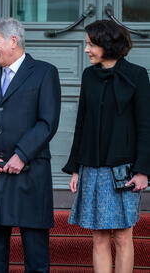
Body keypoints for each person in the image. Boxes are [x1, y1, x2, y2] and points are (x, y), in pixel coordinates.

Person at [0, 18, 61, 272]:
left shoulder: (44, 72)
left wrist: (21, 155)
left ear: (13, 40)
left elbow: (47, 122)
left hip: (30, 173)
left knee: (36, 254)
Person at [62, 20, 150, 273]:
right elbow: (82, 123)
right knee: (99, 237)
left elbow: (146, 125)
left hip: (124, 170)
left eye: (91, 44)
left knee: (123, 237)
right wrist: (76, 168)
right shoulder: (89, 75)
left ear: (107, 45)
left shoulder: (136, 75)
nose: (86, 49)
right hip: (92, 166)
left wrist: (143, 170)